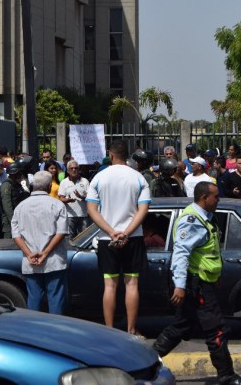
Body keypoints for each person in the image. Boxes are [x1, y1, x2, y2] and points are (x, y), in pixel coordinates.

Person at [152, 182, 241, 385]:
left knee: (182, 326)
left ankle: (144, 364)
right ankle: (227, 375)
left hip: (202, 282)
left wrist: (214, 278)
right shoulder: (192, 220)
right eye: (215, 197)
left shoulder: (206, 218)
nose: (218, 200)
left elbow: (209, 253)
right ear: (204, 197)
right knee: (216, 329)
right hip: (194, 284)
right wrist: (180, 286)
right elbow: (181, 254)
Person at [86, 140, 150, 337]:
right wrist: (127, 232)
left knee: (110, 285)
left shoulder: (99, 177)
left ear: (110, 155)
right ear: (128, 156)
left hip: (107, 239)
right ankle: (131, 329)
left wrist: (111, 231)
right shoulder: (138, 178)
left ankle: (110, 330)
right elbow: (143, 210)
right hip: (133, 237)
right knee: (132, 284)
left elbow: (92, 210)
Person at [12, 171, 69, 314]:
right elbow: (61, 232)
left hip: (30, 262)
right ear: (49, 186)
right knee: (56, 299)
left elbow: (16, 235)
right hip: (54, 261)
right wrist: (45, 253)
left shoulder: (21, 207)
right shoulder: (57, 205)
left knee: (34, 299)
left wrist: (29, 254)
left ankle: (33, 330)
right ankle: (56, 330)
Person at [58, 160, 91, 238]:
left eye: (76, 168)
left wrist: (81, 197)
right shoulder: (64, 182)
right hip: (70, 215)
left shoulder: (85, 181)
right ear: (68, 170)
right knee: (70, 238)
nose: (74, 170)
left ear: (79, 170)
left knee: (83, 237)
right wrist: (68, 200)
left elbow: (90, 197)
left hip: (83, 214)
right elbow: (61, 198)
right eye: (71, 168)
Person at [0, 162, 30, 238]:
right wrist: (14, 222)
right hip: (10, 222)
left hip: (19, 219)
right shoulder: (6, 186)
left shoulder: (17, 185)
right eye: (19, 173)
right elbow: (7, 207)